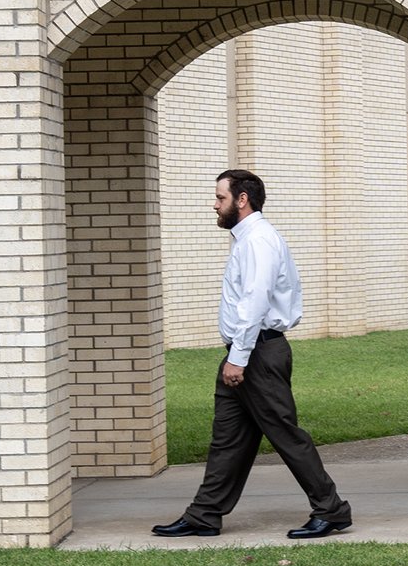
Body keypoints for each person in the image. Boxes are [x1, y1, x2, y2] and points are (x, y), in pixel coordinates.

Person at [151, 169, 354, 541]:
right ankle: (204, 514)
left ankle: (332, 510)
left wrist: (238, 359)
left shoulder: (258, 241)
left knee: (285, 435)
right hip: (246, 351)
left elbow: (254, 303)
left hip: (256, 354)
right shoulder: (246, 239)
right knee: (228, 439)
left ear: (241, 199)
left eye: (220, 198)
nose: (215, 205)